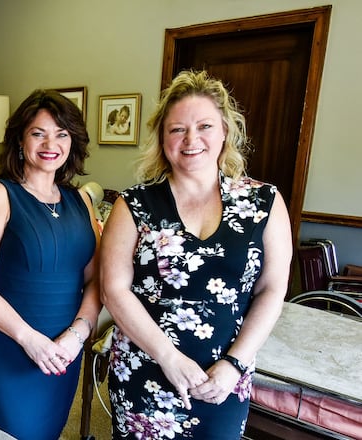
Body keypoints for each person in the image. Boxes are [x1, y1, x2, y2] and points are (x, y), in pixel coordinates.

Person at [99, 70, 292, 439]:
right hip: (145, 369)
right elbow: (113, 290)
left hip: (223, 379)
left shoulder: (263, 202)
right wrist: (168, 357)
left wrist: (234, 364)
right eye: (177, 129)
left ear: (225, 132)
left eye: (204, 126)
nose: (191, 139)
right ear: (162, 139)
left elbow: (272, 290)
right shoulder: (134, 204)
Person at [0, 89, 102, 439]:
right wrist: (30, 340)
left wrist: (78, 334)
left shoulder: (81, 200)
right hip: (10, 346)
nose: (50, 144)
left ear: (73, 141)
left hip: (64, 350)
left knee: (49, 430)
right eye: (38, 133)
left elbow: (95, 279)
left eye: (61, 134)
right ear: (20, 140)